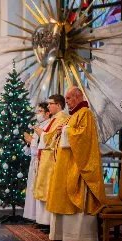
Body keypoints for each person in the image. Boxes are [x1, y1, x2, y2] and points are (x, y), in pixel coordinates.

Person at [46, 86, 106, 241]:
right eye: (66, 98)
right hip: (67, 166)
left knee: (77, 204)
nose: (66, 101)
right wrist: (61, 130)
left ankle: (79, 240)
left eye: (69, 98)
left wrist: (64, 130)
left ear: (78, 98)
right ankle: (67, 238)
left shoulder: (85, 113)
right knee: (65, 202)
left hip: (79, 168)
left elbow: (83, 138)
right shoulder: (73, 115)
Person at [32, 95, 68, 232]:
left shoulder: (62, 118)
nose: (48, 107)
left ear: (58, 105)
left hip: (51, 158)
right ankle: (43, 220)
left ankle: (48, 222)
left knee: (48, 189)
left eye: (51, 104)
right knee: (42, 188)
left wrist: (42, 133)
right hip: (45, 157)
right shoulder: (54, 119)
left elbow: (52, 138)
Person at [23, 102, 51, 222]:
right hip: (34, 162)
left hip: (42, 162)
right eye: (37, 111)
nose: (37, 114)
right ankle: (35, 218)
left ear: (47, 114)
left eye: (40, 111)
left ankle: (42, 219)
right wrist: (29, 142)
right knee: (32, 189)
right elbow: (32, 149)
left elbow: (46, 143)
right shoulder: (38, 126)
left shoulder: (48, 125)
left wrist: (32, 141)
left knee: (39, 190)